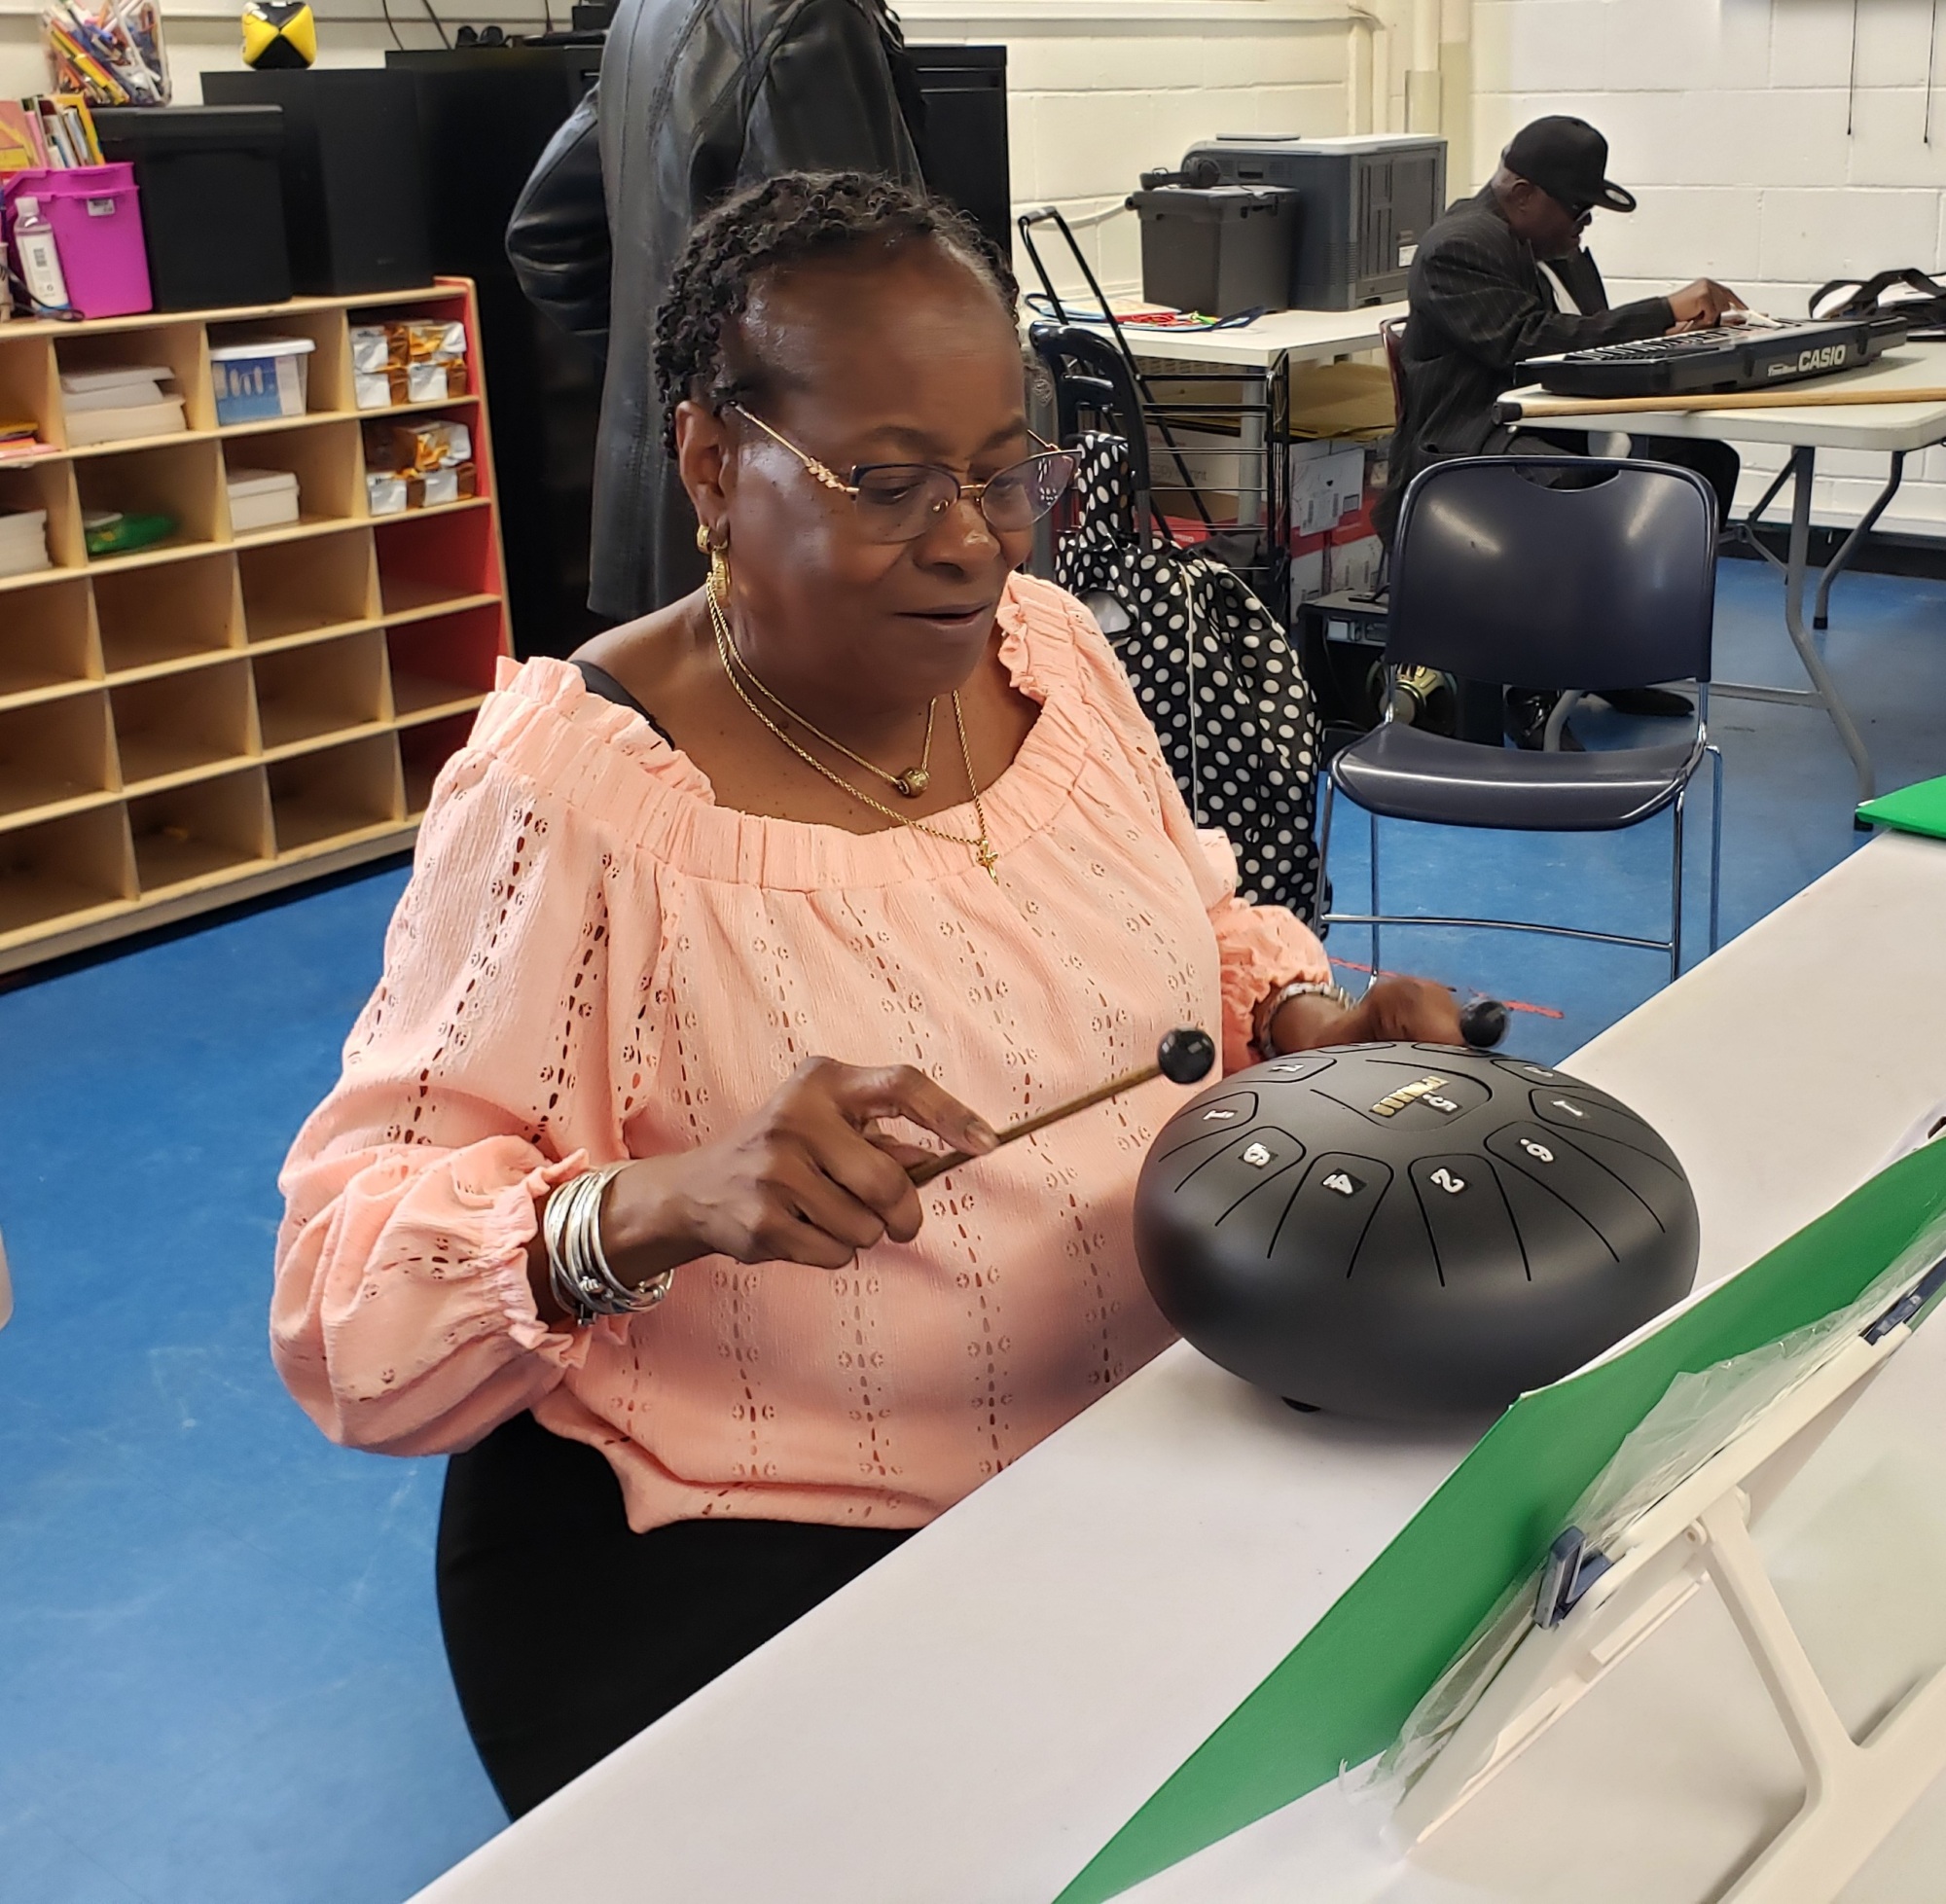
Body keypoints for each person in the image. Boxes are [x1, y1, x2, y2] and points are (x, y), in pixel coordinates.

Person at [273, 172, 1470, 1820]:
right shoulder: (577, 801)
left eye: (1002, 475)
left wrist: (1294, 1025)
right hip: (764, 1559)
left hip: (1143, 1446)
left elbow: (1192, 924)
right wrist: (650, 1207)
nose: (971, 542)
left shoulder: (1050, 654)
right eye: (891, 482)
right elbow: (343, 1311)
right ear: (712, 461)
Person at [505, 0, 926, 624]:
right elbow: (860, 318)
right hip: (781, 536)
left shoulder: (645, 14)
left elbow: (546, 236)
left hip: (671, 513)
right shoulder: (809, 20)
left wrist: (677, 385)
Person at [1380, 116, 1747, 747]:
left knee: (1701, 466)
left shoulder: (1556, 250)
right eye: (1577, 208)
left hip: (1551, 429)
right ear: (1523, 194)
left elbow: (1585, 338)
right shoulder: (1458, 246)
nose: (1585, 223)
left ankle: (1615, 655)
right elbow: (1527, 344)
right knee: (1567, 488)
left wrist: (1668, 341)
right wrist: (1661, 312)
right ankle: (1535, 688)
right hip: (1467, 444)